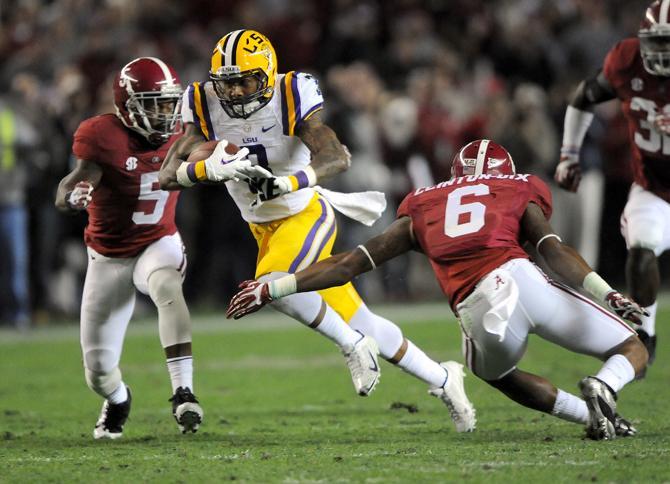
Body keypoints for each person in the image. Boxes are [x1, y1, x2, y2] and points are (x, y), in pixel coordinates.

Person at [159, 29, 475, 432]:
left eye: (245, 81)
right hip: (263, 230)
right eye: (227, 83)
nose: (236, 92)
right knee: (362, 319)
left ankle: (352, 346)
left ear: (268, 76)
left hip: (305, 214)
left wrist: (289, 183)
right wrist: (205, 169)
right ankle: (446, 379)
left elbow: (336, 156)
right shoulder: (202, 100)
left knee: (272, 287)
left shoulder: (291, 92)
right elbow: (168, 175)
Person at [228, 139, 649, 441]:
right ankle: (605, 388)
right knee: (634, 348)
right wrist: (606, 292)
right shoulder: (517, 187)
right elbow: (550, 249)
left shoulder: (424, 204)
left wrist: (274, 289)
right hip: (520, 279)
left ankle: (592, 418)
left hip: (475, 310)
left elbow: (347, 263)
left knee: (496, 375)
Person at [55, 57, 203, 439]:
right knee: (99, 371)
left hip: (159, 241)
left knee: (166, 285)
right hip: (107, 258)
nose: (165, 112)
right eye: (154, 103)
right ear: (128, 104)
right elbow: (71, 183)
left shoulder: (185, 133)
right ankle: (119, 398)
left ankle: (183, 392)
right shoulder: (101, 135)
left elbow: (211, 156)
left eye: (170, 102)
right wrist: (76, 195)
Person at [554, 0, 670, 367]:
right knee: (641, 251)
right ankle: (646, 335)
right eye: (657, 41)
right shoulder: (628, 60)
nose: (661, 52)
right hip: (655, 186)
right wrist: (570, 154)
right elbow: (585, 95)